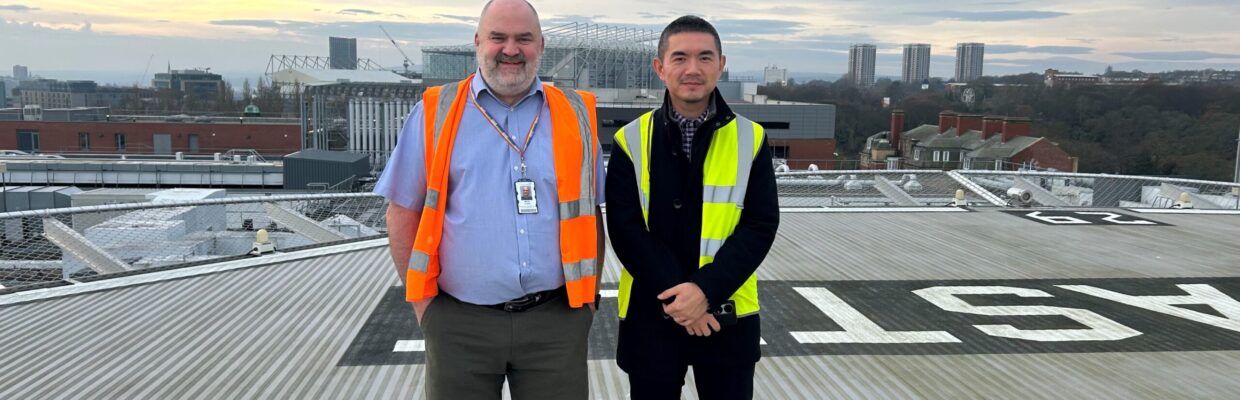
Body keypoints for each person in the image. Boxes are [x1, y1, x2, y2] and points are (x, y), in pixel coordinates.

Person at [374, 0, 605, 398]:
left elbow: (590, 213)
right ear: (478, 41)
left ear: (541, 45)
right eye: (498, 37)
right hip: (459, 324)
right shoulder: (436, 112)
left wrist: (586, 307)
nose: (511, 49)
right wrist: (425, 307)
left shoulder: (575, 114)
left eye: (524, 39)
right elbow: (402, 211)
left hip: (557, 323)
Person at [605, 15, 779, 400]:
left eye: (704, 57)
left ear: (721, 64)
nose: (692, 69)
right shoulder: (629, 141)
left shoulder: (752, 139)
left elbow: (760, 225)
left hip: (726, 319)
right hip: (651, 320)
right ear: (660, 68)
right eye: (680, 57)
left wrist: (705, 291)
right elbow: (625, 230)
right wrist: (683, 300)